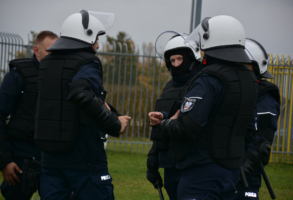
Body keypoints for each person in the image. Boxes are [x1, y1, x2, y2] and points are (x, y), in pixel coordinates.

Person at [152, 15, 258, 199]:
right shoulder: (249, 78)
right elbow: (248, 129)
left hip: (201, 174)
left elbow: (185, 128)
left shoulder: (208, 79)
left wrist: (165, 123)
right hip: (230, 171)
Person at [34, 10, 130, 200]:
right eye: (96, 38)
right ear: (86, 35)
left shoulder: (47, 62)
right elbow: (80, 94)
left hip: (50, 157)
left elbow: (63, 102)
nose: (98, 44)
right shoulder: (88, 62)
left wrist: (109, 110)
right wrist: (115, 123)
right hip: (84, 157)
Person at [0, 31, 58, 200]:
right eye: (49, 51)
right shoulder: (17, 76)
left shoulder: (61, 76)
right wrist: (5, 161)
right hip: (21, 156)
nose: (53, 56)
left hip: (52, 156)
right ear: (36, 50)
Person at [146, 32, 202, 200]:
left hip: (193, 164)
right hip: (170, 164)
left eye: (180, 59)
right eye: (172, 61)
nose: (176, 64)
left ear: (191, 58)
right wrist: (152, 163)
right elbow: (159, 131)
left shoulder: (202, 84)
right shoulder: (169, 87)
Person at [235, 38, 280, 200]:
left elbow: (261, 141)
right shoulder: (233, 91)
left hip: (247, 174)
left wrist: (241, 175)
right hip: (223, 169)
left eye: (243, 66)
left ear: (255, 67)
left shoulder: (265, 96)